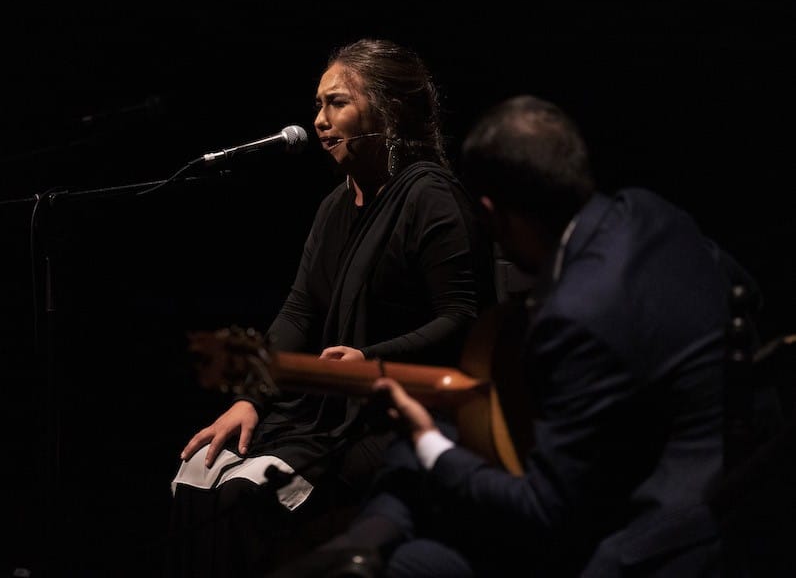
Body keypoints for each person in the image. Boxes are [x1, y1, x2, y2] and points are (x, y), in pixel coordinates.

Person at [287, 94, 762, 577]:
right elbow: (746, 292)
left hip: (651, 537)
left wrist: (428, 440)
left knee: (416, 559)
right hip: (736, 476)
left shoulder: (575, 314)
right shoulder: (647, 212)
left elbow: (544, 511)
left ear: (492, 213)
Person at [166, 38, 496, 577]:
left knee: (245, 498)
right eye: (318, 104)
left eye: (337, 103)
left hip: (396, 416)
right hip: (327, 411)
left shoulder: (430, 197)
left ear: (388, 109)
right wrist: (251, 397)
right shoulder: (336, 205)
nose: (319, 120)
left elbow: (463, 319)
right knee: (196, 478)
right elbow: (300, 311)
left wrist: (372, 359)